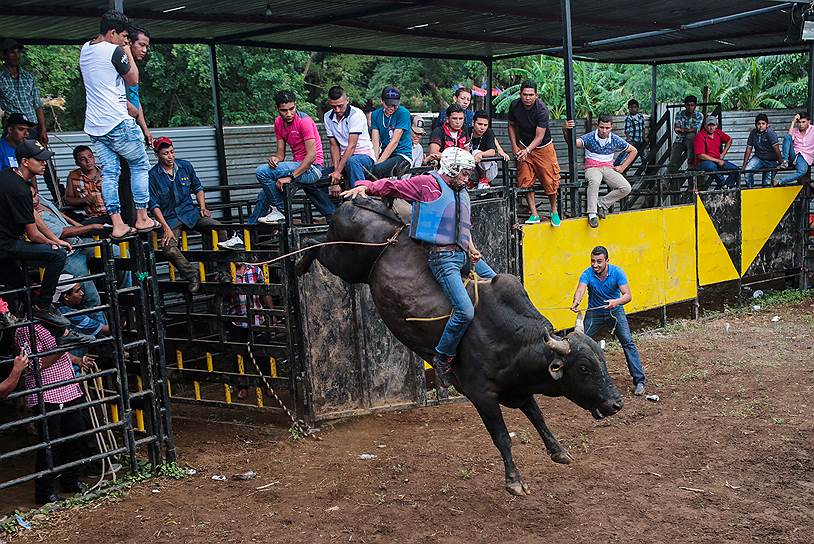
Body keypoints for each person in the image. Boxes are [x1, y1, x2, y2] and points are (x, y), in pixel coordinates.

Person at [342, 147, 497, 388]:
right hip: (442, 258)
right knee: (464, 311)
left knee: (498, 284)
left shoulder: (461, 190)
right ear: (453, 170)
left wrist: (472, 248)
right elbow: (393, 187)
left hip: (463, 253)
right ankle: (443, 358)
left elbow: (463, 226)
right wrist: (366, 186)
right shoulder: (427, 184)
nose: (468, 179)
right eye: (465, 173)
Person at [79, 10, 155, 240]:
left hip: (94, 125)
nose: (126, 41)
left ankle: (118, 223)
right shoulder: (114, 50)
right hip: (117, 121)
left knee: (110, 173)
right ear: (112, 33)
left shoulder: (85, 48)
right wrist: (125, 52)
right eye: (123, 36)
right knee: (140, 164)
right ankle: (142, 217)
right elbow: (133, 78)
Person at [148, 137, 236, 293]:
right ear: (157, 155)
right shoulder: (152, 176)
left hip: (190, 213)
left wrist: (203, 207)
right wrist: (165, 227)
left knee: (219, 228)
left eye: (172, 152)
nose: (170, 156)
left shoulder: (185, 166)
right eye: (165, 153)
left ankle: (223, 272)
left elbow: (198, 187)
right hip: (170, 219)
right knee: (169, 249)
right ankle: (192, 275)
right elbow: (154, 205)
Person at [15, 322, 89, 504]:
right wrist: (62, 347)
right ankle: (44, 492)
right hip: (47, 393)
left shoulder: (53, 321)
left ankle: (70, 481)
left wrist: (76, 359)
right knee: (50, 443)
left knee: (75, 434)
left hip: (68, 387)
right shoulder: (26, 329)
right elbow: (33, 364)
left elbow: (60, 353)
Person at [0, 140, 70, 327]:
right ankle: (44, 306)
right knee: (57, 256)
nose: (44, 163)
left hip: (5, 243)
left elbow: (32, 216)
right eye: (39, 160)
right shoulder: (21, 190)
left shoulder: (7, 175)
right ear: (25, 161)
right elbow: (33, 234)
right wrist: (55, 244)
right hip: (6, 246)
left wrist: (54, 238)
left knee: (23, 290)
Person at [249, 90, 336, 224]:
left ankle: (280, 210)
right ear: (277, 108)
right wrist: (275, 159)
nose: (289, 114)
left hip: (313, 169)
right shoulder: (278, 123)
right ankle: (246, 235)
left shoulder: (304, 121)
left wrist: (291, 177)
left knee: (261, 172)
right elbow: (280, 154)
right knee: (264, 194)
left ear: (295, 105)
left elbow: (312, 156)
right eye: (284, 110)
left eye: (292, 109)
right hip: (298, 167)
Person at [570, 246, 645, 396]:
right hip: (594, 313)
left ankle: (639, 381)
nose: (595, 265)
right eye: (592, 261)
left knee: (627, 342)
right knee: (579, 343)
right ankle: (573, 380)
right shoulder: (587, 274)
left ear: (607, 261)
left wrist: (616, 302)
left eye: (599, 261)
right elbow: (580, 289)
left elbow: (627, 295)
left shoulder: (617, 272)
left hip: (615, 312)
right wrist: (576, 301)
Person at [564, 115, 637, 228]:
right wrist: (565, 130)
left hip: (608, 168)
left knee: (626, 187)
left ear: (611, 127)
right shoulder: (589, 137)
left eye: (607, 128)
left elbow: (633, 150)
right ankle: (592, 214)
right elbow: (573, 143)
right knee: (594, 181)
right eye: (601, 127)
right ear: (597, 126)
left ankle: (601, 203)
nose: (604, 130)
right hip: (592, 167)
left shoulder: (615, 139)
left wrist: (622, 167)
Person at [507, 80, 561, 226]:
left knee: (550, 180)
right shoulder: (514, 106)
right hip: (523, 144)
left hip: (543, 147)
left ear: (536, 95)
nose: (528, 98)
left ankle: (554, 211)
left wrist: (528, 150)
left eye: (531, 95)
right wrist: (514, 147)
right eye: (525, 94)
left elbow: (539, 136)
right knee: (525, 179)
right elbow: (511, 125)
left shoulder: (541, 110)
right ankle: (534, 214)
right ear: (520, 94)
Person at [323, 86, 375, 196]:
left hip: (363, 157)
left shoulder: (356, 114)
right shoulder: (327, 116)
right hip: (343, 160)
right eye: (333, 106)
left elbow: (351, 146)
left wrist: (338, 172)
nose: (337, 110)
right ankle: (330, 211)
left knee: (352, 161)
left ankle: (361, 200)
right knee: (318, 177)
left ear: (347, 100)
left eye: (340, 106)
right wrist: (336, 173)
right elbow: (334, 146)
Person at [0, 39, 48, 146]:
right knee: (13, 158)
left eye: (18, 52)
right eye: (12, 52)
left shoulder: (28, 77)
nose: (16, 56)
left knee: (39, 159)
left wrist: (43, 129)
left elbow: (37, 105)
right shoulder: (1, 78)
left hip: (33, 128)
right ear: (3, 55)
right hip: (14, 130)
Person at [370, 86, 412, 178]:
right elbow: (375, 142)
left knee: (377, 170)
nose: (391, 108)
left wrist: (378, 164)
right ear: (382, 101)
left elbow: (394, 142)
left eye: (395, 105)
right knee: (368, 167)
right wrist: (375, 160)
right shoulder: (375, 114)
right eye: (388, 104)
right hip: (385, 154)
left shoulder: (403, 113)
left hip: (402, 155)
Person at [64, 145, 109, 224]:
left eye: (90, 157)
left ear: (94, 158)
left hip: (113, 215)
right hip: (93, 218)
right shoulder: (73, 176)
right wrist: (83, 200)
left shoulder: (107, 173)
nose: (88, 161)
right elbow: (67, 199)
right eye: (82, 159)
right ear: (77, 163)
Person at [694, 115, 738, 189]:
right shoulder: (700, 136)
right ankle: (722, 183)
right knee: (711, 167)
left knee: (736, 170)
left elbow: (729, 140)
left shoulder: (718, 132)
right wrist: (718, 160)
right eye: (709, 125)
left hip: (717, 160)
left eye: (713, 125)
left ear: (716, 125)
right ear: (705, 125)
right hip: (703, 162)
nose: (711, 128)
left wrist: (723, 154)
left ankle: (725, 189)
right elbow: (701, 155)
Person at [469, 110, 510, 190]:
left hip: (489, 170)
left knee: (476, 152)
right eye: (479, 124)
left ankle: (483, 181)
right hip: (471, 170)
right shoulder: (467, 132)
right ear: (473, 123)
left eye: (485, 125)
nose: (482, 127)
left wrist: (480, 155)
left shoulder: (489, 132)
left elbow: (492, 151)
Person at [126, 26, 152, 148]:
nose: (144, 50)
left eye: (146, 47)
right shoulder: (120, 64)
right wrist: (126, 104)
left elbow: (135, 99)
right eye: (141, 45)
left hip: (134, 122)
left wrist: (145, 130)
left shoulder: (133, 66)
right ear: (130, 42)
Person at [741, 113, 782, 188]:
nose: (761, 125)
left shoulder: (770, 133)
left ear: (767, 124)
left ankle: (766, 198)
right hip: (758, 158)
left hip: (771, 160)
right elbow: (748, 149)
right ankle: (751, 191)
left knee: (766, 184)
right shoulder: (753, 133)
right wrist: (744, 165)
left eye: (763, 123)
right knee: (747, 172)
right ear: (755, 125)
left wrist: (781, 162)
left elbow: (776, 149)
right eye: (759, 123)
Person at [668, 95, 703, 172]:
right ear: (685, 105)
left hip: (691, 140)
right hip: (680, 140)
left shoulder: (699, 115)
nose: (690, 107)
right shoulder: (679, 114)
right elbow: (677, 128)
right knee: (673, 161)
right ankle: (667, 179)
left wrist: (683, 129)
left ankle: (691, 163)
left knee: (691, 136)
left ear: (695, 106)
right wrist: (680, 129)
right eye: (688, 105)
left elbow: (694, 129)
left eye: (692, 105)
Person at [778, 112, 814, 186]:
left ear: (809, 122)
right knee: (787, 137)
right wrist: (793, 122)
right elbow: (788, 138)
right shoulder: (795, 130)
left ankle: (781, 181)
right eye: (799, 122)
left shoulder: (813, 130)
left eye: (803, 122)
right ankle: (785, 162)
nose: (801, 124)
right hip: (793, 155)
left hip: (805, 157)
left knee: (802, 171)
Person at [614, 99, 646, 167]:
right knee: (625, 154)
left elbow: (643, 128)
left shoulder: (641, 117)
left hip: (640, 140)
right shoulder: (629, 118)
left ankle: (646, 169)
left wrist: (644, 137)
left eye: (635, 107)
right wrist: (629, 140)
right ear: (629, 108)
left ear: (637, 108)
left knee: (643, 155)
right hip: (632, 140)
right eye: (631, 107)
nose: (633, 109)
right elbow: (627, 131)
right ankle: (616, 165)